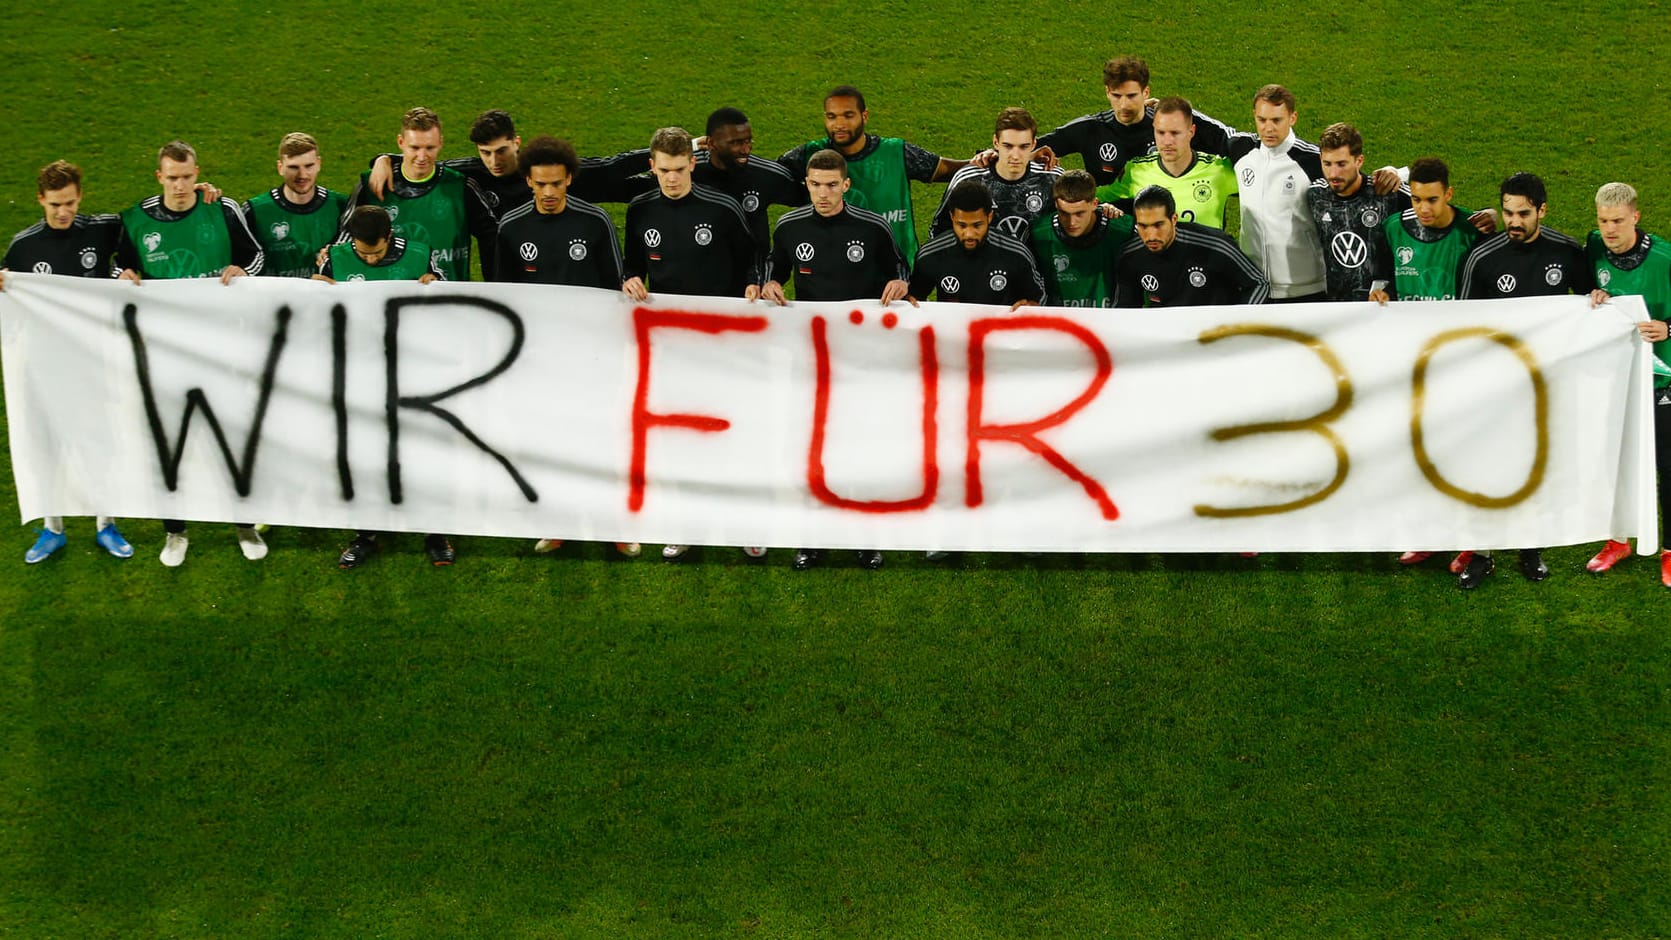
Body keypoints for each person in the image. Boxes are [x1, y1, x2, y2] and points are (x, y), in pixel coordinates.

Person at [751, 149, 912, 570]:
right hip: (812, 358)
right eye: (815, 185)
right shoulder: (789, 226)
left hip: (862, 358)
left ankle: (866, 537)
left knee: (861, 448)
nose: (823, 193)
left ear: (846, 185)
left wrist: (900, 280)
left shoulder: (872, 228)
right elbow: (775, 266)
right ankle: (813, 538)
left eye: (830, 185)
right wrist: (768, 283)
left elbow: (900, 267)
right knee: (814, 450)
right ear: (806, 184)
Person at [115, 140, 267, 567]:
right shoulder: (137, 220)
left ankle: (244, 524)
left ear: (196, 173)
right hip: (165, 355)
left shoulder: (221, 209)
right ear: (159, 176)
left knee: (232, 440)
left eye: (187, 177)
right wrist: (123, 273)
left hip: (223, 351)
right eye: (172, 177)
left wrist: (241, 270)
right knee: (170, 446)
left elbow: (255, 256)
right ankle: (175, 532)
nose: (181, 186)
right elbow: (120, 265)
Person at [490, 135, 641, 559]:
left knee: (601, 437)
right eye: (541, 185)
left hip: (591, 355)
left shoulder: (594, 223)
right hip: (540, 358)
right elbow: (504, 299)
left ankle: (615, 525)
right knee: (548, 439)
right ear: (528, 182)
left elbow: (617, 288)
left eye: (557, 183)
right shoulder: (511, 227)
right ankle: (556, 523)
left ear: (570, 179)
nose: (550, 193)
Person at [1445, 172, 1593, 588]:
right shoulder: (1482, 258)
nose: (1513, 221)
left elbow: (1588, 307)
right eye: (1508, 212)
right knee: (1484, 467)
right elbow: (1463, 325)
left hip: (1544, 381)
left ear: (1542, 211)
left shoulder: (1567, 252)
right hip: (1493, 383)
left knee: (1534, 466)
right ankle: (1483, 553)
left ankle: (1531, 548)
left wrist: (1596, 302)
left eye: (1523, 214)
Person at [622, 127, 762, 561]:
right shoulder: (640, 210)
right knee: (679, 436)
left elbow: (753, 258)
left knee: (733, 433)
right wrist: (628, 279)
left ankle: (745, 524)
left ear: (693, 165)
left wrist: (755, 284)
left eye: (680, 170)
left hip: (724, 343)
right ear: (652, 167)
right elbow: (631, 266)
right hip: (671, 344)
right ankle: (684, 524)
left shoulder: (722, 209)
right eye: (664, 171)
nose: (672, 179)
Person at [0, 160, 134, 563]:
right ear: (41, 199)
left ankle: (106, 525)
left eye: (71, 203)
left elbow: (151, 221)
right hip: (44, 364)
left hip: (93, 359)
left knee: (98, 443)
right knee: (48, 446)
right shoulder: (24, 246)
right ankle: (52, 529)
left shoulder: (100, 229)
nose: (64, 212)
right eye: (56, 204)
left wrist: (203, 193)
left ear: (81, 197)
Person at [323, 206, 461, 570]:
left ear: (389, 237)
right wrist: (315, 289)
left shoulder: (418, 255)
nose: (368, 258)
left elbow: (451, 302)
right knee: (365, 456)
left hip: (414, 374)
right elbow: (315, 306)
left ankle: (435, 533)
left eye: (376, 252)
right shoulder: (335, 258)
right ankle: (365, 534)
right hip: (361, 374)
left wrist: (435, 285)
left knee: (423, 453)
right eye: (362, 252)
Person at [1582, 182, 1671, 585]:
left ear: (1636, 216)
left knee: (1666, 466)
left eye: (1617, 221)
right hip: (1617, 377)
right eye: (1603, 221)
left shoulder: (1666, 259)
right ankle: (1617, 539)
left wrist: (1669, 327)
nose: (1609, 230)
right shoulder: (1594, 248)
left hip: (1661, 380)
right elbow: (1585, 291)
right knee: (1614, 462)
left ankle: (1670, 550)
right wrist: (1593, 291)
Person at [779, 85, 971, 264]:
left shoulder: (896, 152)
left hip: (898, 274)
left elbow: (945, 169)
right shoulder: (809, 156)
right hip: (836, 273)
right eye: (832, 116)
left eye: (848, 115)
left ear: (865, 116)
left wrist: (982, 160)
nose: (839, 124)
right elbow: (768, 177)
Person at [339, 107, 497, 282]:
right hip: (388, 298)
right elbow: (345, 237)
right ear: (400, 142)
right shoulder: (372, 185)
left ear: (441, 143)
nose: (422, 157)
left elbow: (494, 240)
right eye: (414, 147)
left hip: (449, 299)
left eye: (430, 148)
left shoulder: (462, 188)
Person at [1035, 55, 1235, 185]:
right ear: (1107, 92)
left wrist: (1184, 111)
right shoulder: (1090, 129)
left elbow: (1226, 141)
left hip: (1159, 227)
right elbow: (1023, 148)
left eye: (1131, 96)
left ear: (1145, 92)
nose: (1124, 106)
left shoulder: (1167, 129)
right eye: (1116, 96)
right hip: (1109, 228)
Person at [1093, 96, 1237, 229]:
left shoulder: (1218, 171)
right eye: (1161, 133)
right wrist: (1104, 207)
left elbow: (1257, 180)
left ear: (1191, 132)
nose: (1167, 142)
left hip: (1208, 256)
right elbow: (1092, 196)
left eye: (1175, 133)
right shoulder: (1137, 171)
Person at [1114, 185, 1269, 307]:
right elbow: (1125, 308)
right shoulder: (1130, 256)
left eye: (1158, 225)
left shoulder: (1214, 245)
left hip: (1215, 335)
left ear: (1174, 219)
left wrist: (1237, 325)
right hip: (1170, 337)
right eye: (1143, 226)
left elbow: (1258, 283)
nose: (1151, 235)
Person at [1305, 122, 1409, 301]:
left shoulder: (1386, 193)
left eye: (1341, 164)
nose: (1333, 173)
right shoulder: (1316, 195)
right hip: (1337, 307)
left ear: (1359, 161)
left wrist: (1396, 173)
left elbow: (1431, 202)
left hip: (1383, 305)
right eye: (1327, 164)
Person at [908, 179, 1045, 306]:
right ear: (952, 217)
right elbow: (912, 299)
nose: (969, 234)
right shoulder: (931, 255)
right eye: (962, 225)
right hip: (953, 330)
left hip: (999, 329)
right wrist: (909, 301)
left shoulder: (1016, 254)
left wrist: (1030, 305)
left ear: (989, 217)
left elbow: (1039, 297)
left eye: (977, 225)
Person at [931, 107, 1061, 241]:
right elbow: (939, 232)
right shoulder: (969, 179)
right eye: (1008, 146)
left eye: (1023, 147)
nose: (1015, 156)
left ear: (1034, 144)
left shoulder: (1051, 178)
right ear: (995, 142)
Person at [1370, 158, 1483, 304]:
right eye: (1416, 199)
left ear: (1448, 194)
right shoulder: (1393, 228)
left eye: (1432, 200)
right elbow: (1382, 278)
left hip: (1455, 323)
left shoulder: (1472, 228)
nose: (1423, 209)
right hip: (1411, 324)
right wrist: (1380, 294)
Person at [244, 133, 349, 278]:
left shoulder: (341, 206)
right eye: (293, 167)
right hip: (275, 298)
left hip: (324, 298)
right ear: (280, 167)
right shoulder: (255, 210)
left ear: (319, 164)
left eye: (309, 166)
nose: (302, 175)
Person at [1030, 169, 1136, 307]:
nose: (1071, 222)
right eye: (1064, 213)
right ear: (1056, 204)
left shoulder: (1124, 231)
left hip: (1111, 321)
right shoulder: (1038, 234)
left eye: (1079, 213)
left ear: (1094, 204)